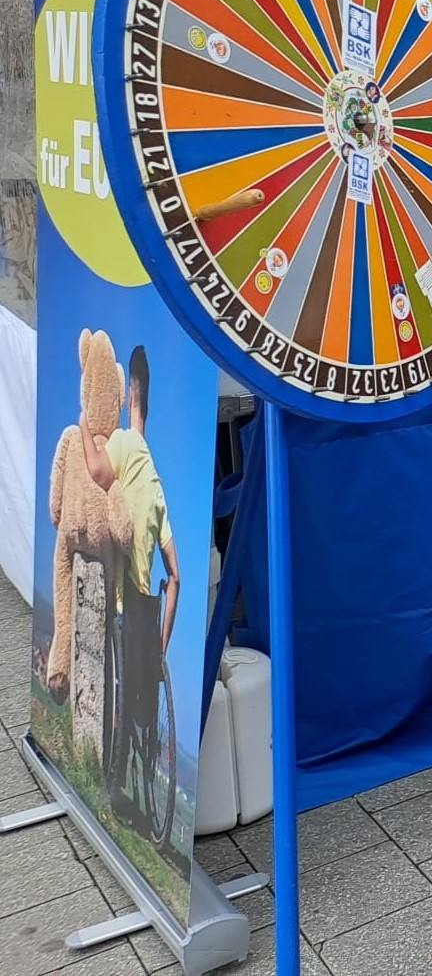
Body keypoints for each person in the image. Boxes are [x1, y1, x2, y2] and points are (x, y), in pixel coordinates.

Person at [80, 345, 180, 828]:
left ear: (129, 395)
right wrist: (163, 646)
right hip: (148, 610)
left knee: (119, 686)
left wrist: (84, 425)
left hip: (125, 604)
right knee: (143, 696)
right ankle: (145, 770)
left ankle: (115, 790)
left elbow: (98, 474)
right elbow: (175, 577)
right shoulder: (157, 483)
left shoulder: (122, 443)